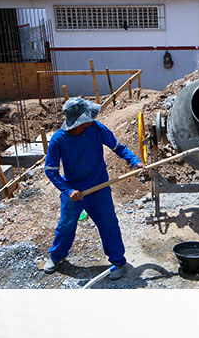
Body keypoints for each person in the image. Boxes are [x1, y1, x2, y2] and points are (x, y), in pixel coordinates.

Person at [42, 97, 144, 281]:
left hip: (99, 187)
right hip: (74, 191)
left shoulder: (96, 128)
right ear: (79, 120)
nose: (92, 118)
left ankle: (118, 262)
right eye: (88, 116)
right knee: (65, 225)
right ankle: (57, 256)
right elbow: (51, 171)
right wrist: (67, 191)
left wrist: (134, 161)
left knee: (109, 224)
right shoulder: (59, 140)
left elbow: (118, 148)